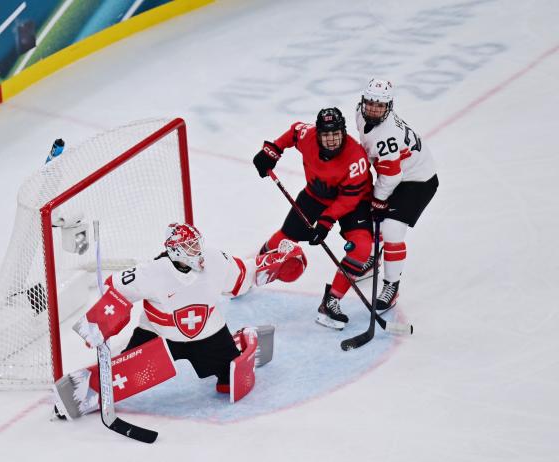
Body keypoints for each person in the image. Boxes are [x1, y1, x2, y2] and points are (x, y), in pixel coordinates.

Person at [53, 222, 307, 418]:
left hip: (208, 333)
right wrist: (98, 325)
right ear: (174, 251)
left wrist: (274, 264)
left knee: (231, 381)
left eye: (197, 244)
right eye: (190, 248)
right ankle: (82, 393)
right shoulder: (151, 273)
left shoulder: (215, 259)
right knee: (125, 373)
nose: (197, 251)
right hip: (159, 335)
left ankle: (241, 340)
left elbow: (243, 276)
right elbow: (116, 289)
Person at [252, 108, 374, 330]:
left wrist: (325, 223)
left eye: (336, 133)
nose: (331, 139)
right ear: (318, 133)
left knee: (362, 248)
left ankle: (331, 301)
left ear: (343, 132)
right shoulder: (307, 136)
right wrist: (272, 151)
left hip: (354, 202)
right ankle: (254, 269)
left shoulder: (356, 158)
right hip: (316, 195)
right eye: (326, 134)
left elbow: (349, 199)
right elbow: (293, 131)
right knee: (285, 238)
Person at [355, 78, 439, 312]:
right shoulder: (359, 113)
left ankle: (391, 287)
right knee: (372, 218)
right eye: (370, 102)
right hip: (397, 174)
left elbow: (391, 176)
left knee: (391, 228)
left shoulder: (388, 135)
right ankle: (373, 260)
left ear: (389, 106)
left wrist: (378, 200)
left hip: (418, 180)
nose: (373, 108)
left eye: (380, 105)